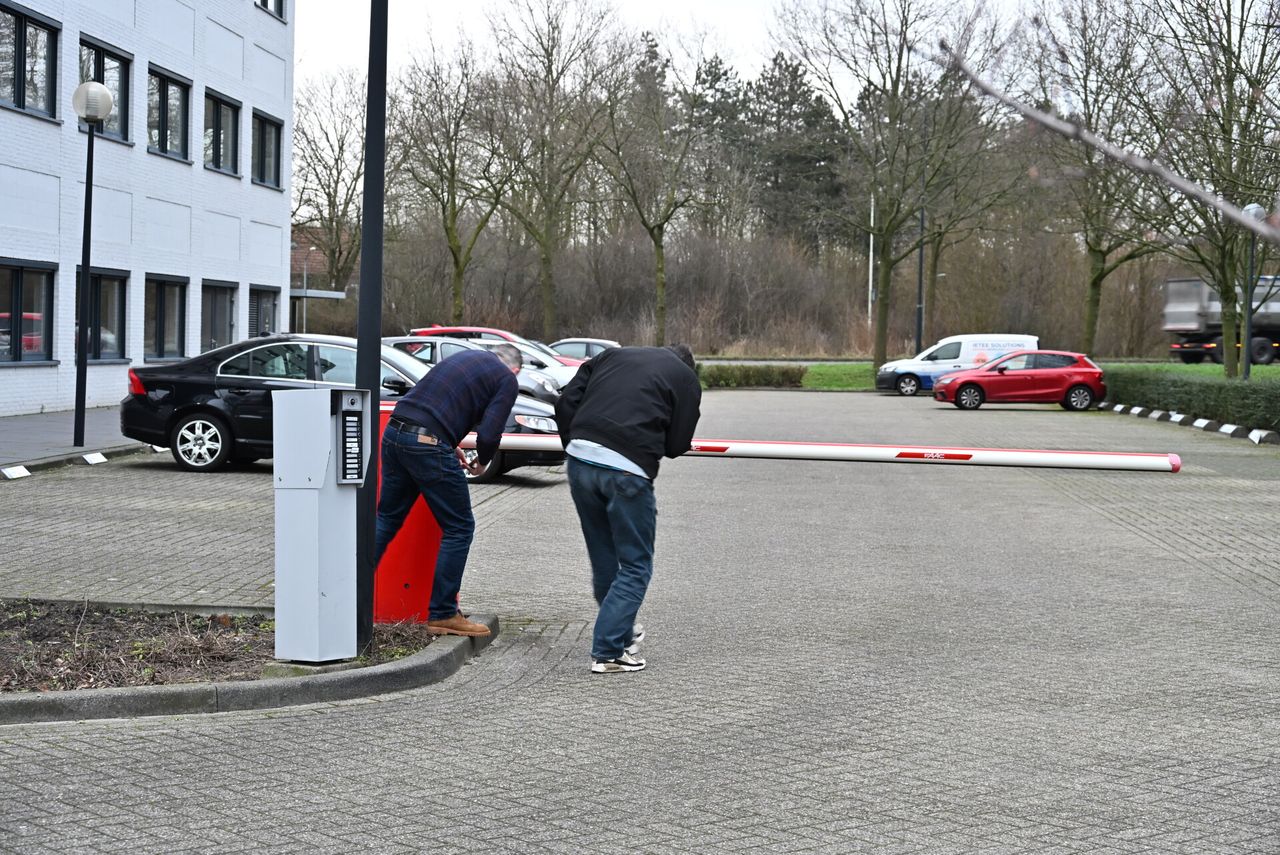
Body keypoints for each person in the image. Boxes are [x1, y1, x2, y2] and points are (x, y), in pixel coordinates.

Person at [554, 344, 702, 673]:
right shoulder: (684, 378)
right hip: (626, 471)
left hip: (579, 461)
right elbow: (678, 443)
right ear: (688, 365)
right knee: (636, 566)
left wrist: (575, 442)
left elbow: (565, 403)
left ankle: (620, 636)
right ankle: (608, 652)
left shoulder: (610, 356)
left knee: (604, 557)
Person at [374, 344, 522, 636]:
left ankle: (345, 593)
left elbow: (435, 404)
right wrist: (483, 462)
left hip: (395, 431)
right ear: (515, 368)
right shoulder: (507, 378)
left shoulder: (465, 357)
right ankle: (443, 613)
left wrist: (449, 442)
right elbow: (490, 433)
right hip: (427, 443)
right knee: (460, 527)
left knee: (386, 519)